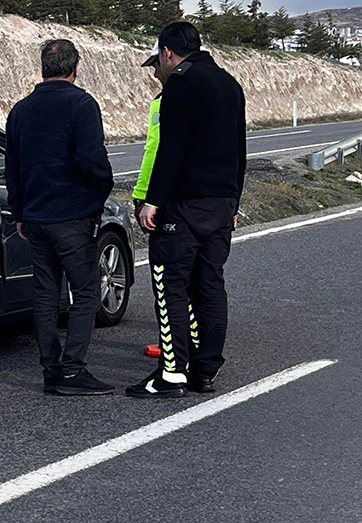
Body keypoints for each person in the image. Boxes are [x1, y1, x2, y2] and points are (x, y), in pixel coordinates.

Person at [127, 22, 246, 399]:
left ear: (167, 52)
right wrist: (234, 201)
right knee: (210, 284)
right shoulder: (229, 83)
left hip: (185, 204)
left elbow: (170, 148)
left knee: (170, 285)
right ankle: (204, 370)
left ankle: (172, 372)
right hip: (221, 204)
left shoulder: (181, 83)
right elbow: (240, 149)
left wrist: (154, 200)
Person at [5, 39, 115, 395]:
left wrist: (20, 211)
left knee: (45, 294)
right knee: (85, 291)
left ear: (43, 69)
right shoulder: (82, 104)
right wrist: (100, 192)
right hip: (72, 214)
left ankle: (50, 369)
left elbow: (12, 169)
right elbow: (92, 160)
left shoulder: (20, 111)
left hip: (36, 216)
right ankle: (72, 370)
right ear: (75, 68)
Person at [134, 39, 202, 364]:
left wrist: (145, 196)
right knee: (190, 278)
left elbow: (157, 152)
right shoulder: (197, 96)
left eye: (156, 66)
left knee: (168, 280)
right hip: (194, 200)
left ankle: (177, 348)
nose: (155, 74)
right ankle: (192, 341)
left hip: (165, 199)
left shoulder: (166, 102)